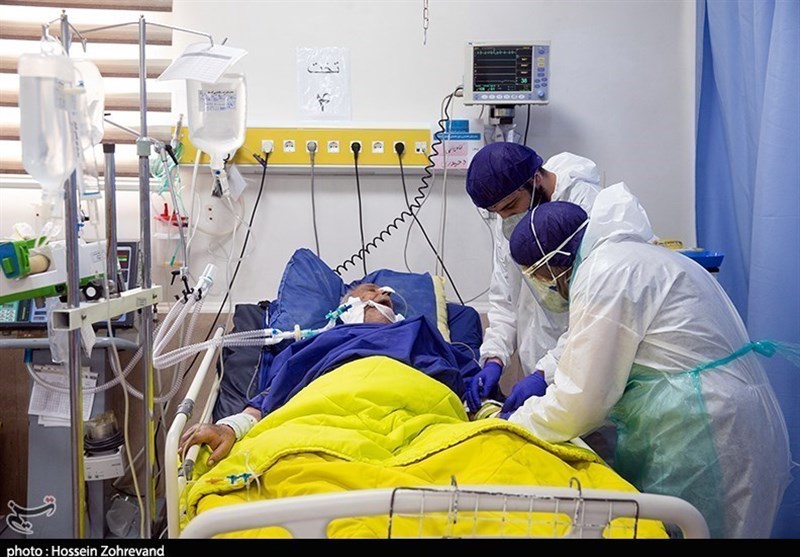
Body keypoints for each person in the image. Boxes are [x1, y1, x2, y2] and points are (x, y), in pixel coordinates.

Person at [502, 182, 792, 538]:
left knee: (695, 529)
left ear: (555, 264)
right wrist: (544, 375)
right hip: (729, 416)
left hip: (705, 432)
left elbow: (582, 403)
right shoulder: (633, 258)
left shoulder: (605, 272)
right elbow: (596, 338)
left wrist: (516, 424)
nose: (544, 289)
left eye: (539, 278)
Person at [179, 283, 478, 465]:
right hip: (325, 419)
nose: (383, 293)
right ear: (346, 309)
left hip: (420, 419)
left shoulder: (421, 331)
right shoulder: (319, 343)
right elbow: (272, 396)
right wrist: (230, 427)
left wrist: (488, 409)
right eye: (371, 290)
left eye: (386, 293)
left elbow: (472, 385)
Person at [463, 142, 602, 414]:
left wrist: (544, 373)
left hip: (585, 362)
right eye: (497, 213)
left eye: (510, 206)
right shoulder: (512, 218)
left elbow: (595, 316)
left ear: (536, 179)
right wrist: (494, 358)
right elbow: (506, 299)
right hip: (542, 365)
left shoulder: (586, 208)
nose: (506, 218)